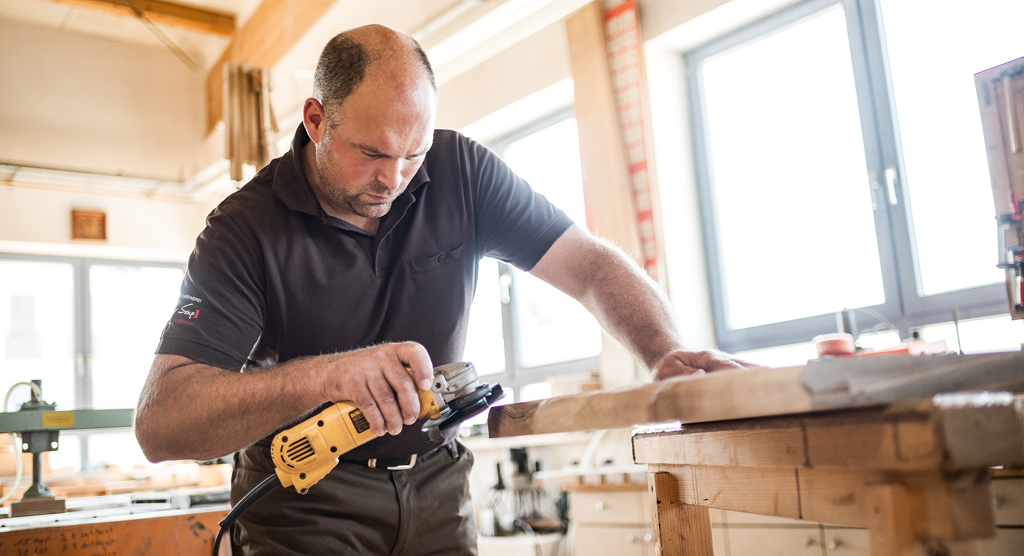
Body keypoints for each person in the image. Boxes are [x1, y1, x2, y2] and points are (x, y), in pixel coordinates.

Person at [134, 24, 748, 555]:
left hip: (439, 482)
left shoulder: (459, 170)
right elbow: (161, 424)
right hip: (305, 498)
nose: (393, 179)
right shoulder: (245, 229)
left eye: (412, 154)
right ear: (316, 119)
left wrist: (662, 349)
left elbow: (589, 265)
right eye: (371, 151)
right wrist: (325, 377)